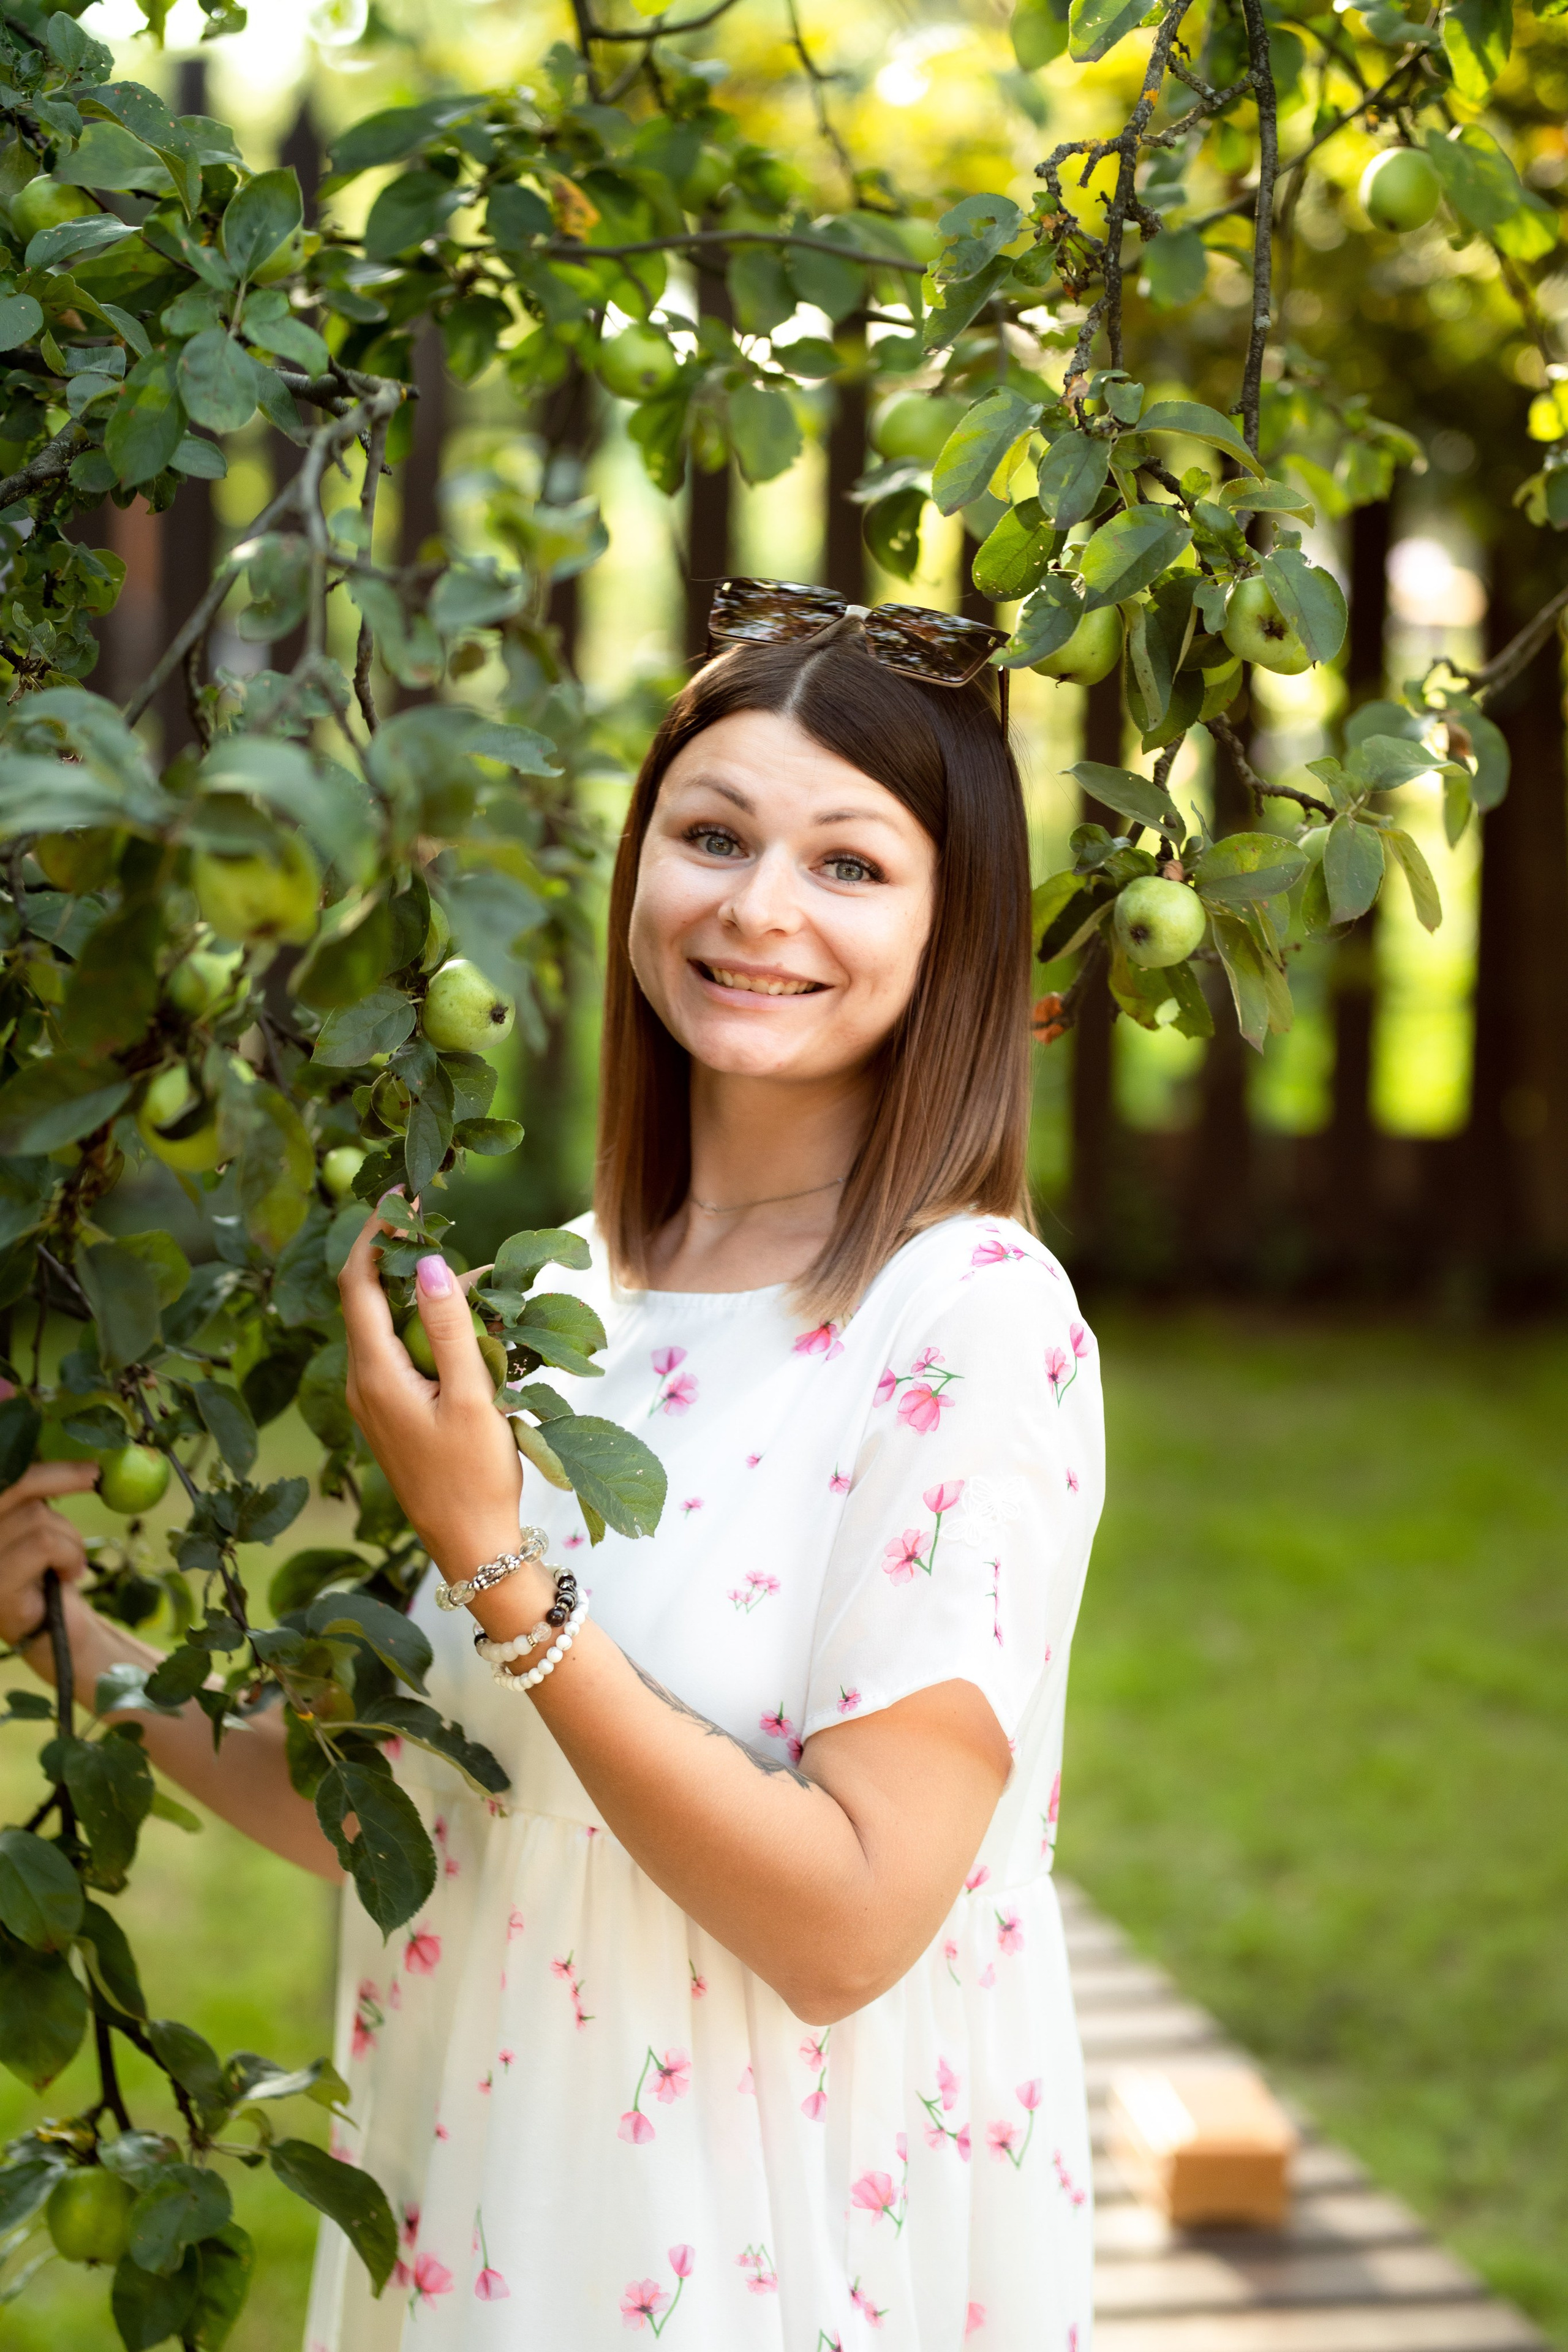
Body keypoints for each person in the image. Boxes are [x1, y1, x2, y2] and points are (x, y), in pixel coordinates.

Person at [0, 598, 1104, 2350]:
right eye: (716, 835)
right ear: (638, 863)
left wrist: (504, 1576)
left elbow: (849, 1926)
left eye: (851, 864)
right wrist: (75, 1641)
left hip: (763, 2261)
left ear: (952, 928)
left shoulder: (965, 1320)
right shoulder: (564, 1301)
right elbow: (440, 1814)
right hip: (499, 2218)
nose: (758, 908)